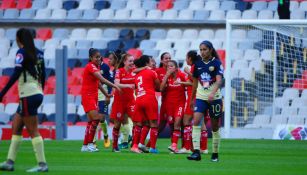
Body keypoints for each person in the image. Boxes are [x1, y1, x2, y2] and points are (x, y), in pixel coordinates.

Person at [0, 28, 48, 172]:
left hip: (27, 94)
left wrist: (2, 92)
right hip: (36, 92)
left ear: (19, 39)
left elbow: (16, 73)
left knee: (33, 130)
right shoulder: (39, 53)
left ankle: (42, 164)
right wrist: (41, 91)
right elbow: (44, 74)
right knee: (16, 126)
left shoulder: (21, 52)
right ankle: (9, 162)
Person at [187, 41, 224, 162]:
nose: (202, 52)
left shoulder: (217, 63)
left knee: (214, 127)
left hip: (215, 98)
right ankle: (196, 153)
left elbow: (219, 81)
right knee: (196, 121)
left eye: (204, 49)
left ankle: (215, 153)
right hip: (201, 97)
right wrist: (192, 99)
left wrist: (213, 93)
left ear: (210, 50)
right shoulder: (197, 64)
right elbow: (195, 83)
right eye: (201, 50)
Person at [81, 48, 120, 152]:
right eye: (96, 57)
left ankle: (85, 145)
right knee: (97, 118)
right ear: (91, 58)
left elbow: (98, 83)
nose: (99, 59)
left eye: (99, 57)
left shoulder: (96, 66)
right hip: (88, 95)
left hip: (93, 96)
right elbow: (102, 80)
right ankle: (90, 144)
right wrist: (115, 86)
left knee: (91, 121)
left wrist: (106, 94)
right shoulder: (90, 66)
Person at [178, 51, 208, 154]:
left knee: (186, 121)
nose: (186, 60)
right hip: (201, 97)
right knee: (202, 123)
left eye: (186, 58)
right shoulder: (200, 66)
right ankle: (203, 148)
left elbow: (198, 82)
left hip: (194, 97)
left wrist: (188, 72)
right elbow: (193, 83)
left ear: (190, 58)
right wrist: (181, 82)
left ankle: (187, 148)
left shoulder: (194, 67)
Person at [131, 55, 160, 154]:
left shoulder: (137, 75)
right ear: (147, 63)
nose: (153, 63)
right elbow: (159, 87)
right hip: (149, 98)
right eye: (151, 61)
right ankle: (152, 148)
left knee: (140, 124)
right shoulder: (152, 72)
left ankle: (136, 145)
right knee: (154, 124)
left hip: (139, 99)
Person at [110, 54, 136, 152]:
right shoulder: (119, 71)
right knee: (117, 125)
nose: (132, 63)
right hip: (119, 101)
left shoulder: (134, 72)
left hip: (131, 101)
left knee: (137, 122)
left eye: (133, 61)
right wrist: (128, 86)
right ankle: (115, 146)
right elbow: (116, 84)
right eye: (130, 61)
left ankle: (134, 145)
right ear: (124, 62)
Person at [160, 60, 187, 153]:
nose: (169, 68)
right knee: (172, 125)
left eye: (171, 66)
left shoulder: (182, 75)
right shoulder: (167, 77)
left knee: (177, 123)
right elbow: (161, 89)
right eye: (167, 66)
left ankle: (175, 145)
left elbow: (191, 84)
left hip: (180, 104)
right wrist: (166, 76)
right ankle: (174, 146)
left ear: (176, 68)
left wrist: (182, 83)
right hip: (169, 105)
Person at [96, 56, 113, 148]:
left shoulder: (105, 67)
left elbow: (110, 81)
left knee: (102, 118)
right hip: (94, 93)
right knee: (94, 118)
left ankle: (106, 135)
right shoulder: (91, 67)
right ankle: (92, 142)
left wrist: (108, 95)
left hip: (103, 93)